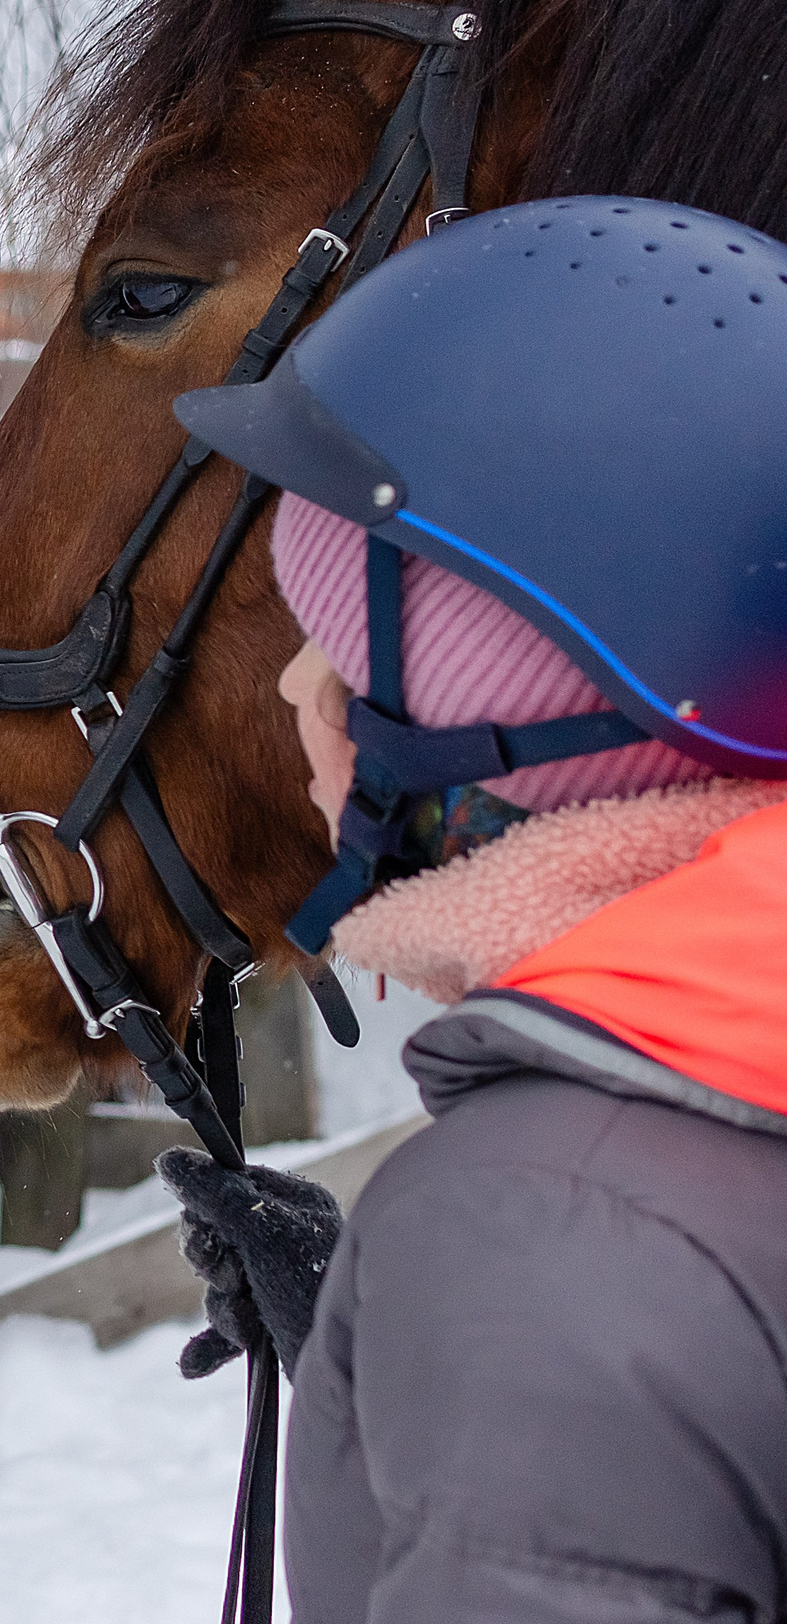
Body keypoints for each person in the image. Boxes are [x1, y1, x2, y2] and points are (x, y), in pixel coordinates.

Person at [163, 195, 787, 1620]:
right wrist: (377, 1345)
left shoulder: (543, 1224)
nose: (286, 697)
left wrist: (483, 1289)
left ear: (493, 745)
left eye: (332, 668)